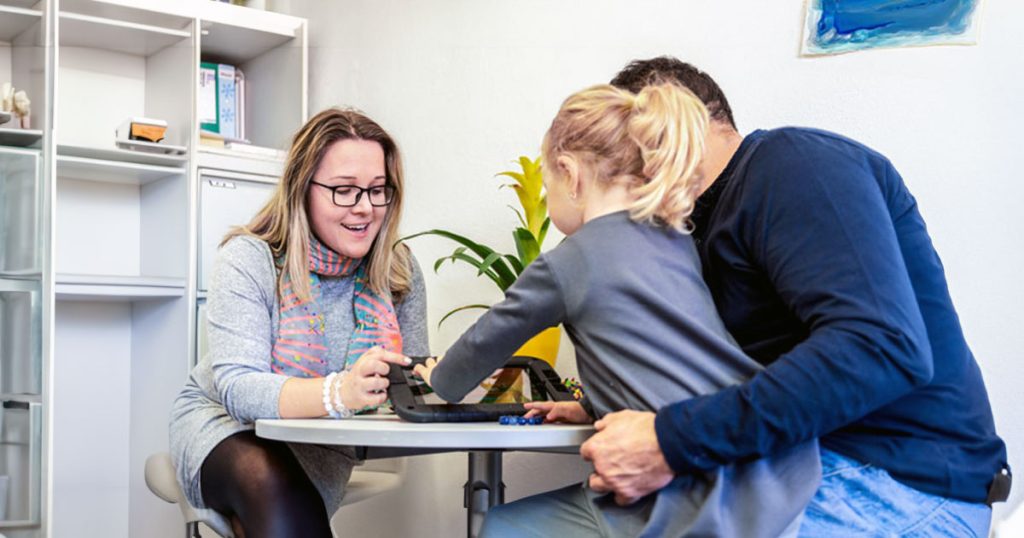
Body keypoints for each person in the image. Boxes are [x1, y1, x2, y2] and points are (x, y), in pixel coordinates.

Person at [573, 56, 1010, 536]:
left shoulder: (792, 164)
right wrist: (609, 398)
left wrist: (670, 441)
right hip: (811, 466)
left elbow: (880, 348)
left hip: (899, 483)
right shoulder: (694, 229)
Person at [416, 82, 821, 537]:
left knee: (505, 527)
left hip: (687, 496)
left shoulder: (572, 259)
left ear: (570, 174)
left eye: (549, 185)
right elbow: (671, 357)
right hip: (767, 473)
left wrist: (439, 378)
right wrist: (590, 405)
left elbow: (484, 341)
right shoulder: (676, 241)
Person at [169, 108, 429, 537]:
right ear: (302, 189)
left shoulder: (398, 271)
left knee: (277, 510)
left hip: (323, 444)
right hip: (225, 426)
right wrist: (341, 390)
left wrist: (442, 382)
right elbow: (238, 387)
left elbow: (410, 386)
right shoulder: (250, 259)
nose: (365, 208)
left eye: (377, 190)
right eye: (344, 190)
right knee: (270, 483)